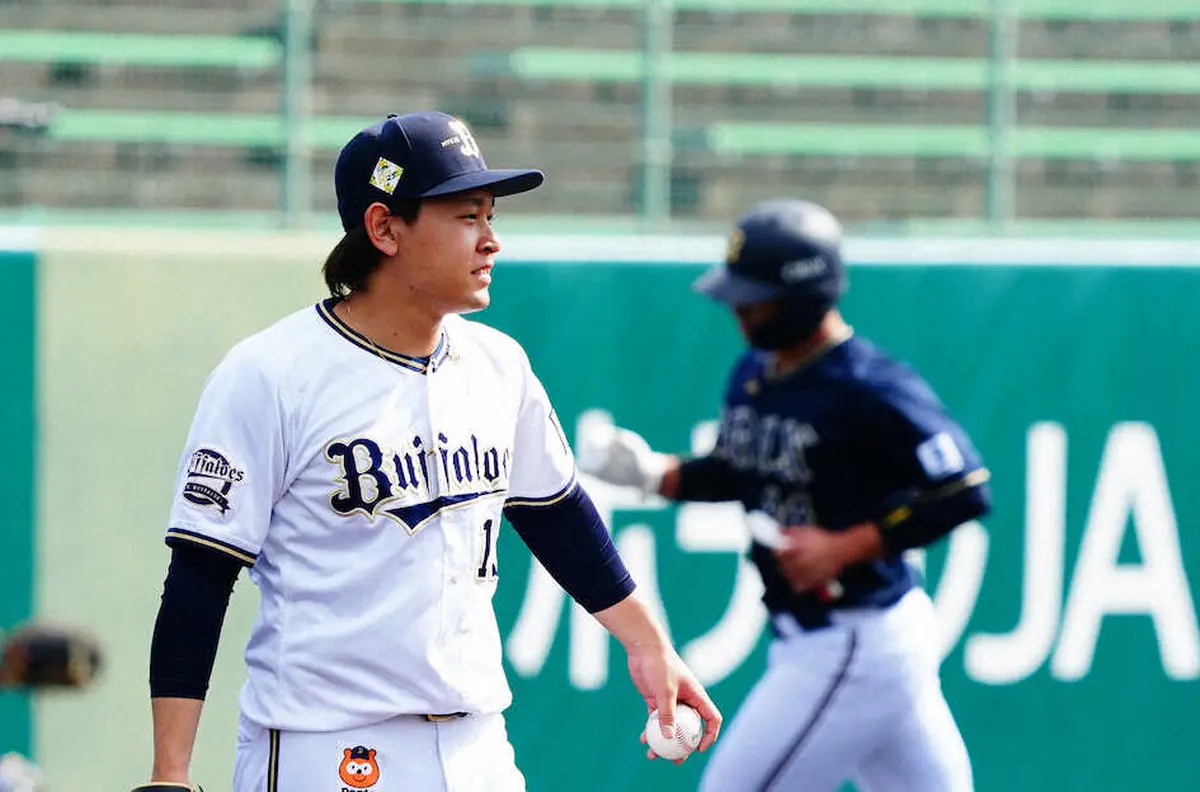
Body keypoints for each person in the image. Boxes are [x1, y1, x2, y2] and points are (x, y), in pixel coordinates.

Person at [132, 111, 721, 792]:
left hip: (477, 743)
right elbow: (202, 576)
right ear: (384, 229)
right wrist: (170, 772)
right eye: (468, 216)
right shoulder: (272, 372)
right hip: (326, 747)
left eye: (491, 216)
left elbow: (558, 518)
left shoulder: (500, 365)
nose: (492, 241)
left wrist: (648, 643)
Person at [577, 198, 991, 792]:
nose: (740, 311)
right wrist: (655, 474)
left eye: (756, 296)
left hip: (853, 634)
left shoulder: (869, 385)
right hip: (836, 638)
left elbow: (964, 487)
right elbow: (740, 471)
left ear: (803, 295)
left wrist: (846, 546)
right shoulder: (754, 373)